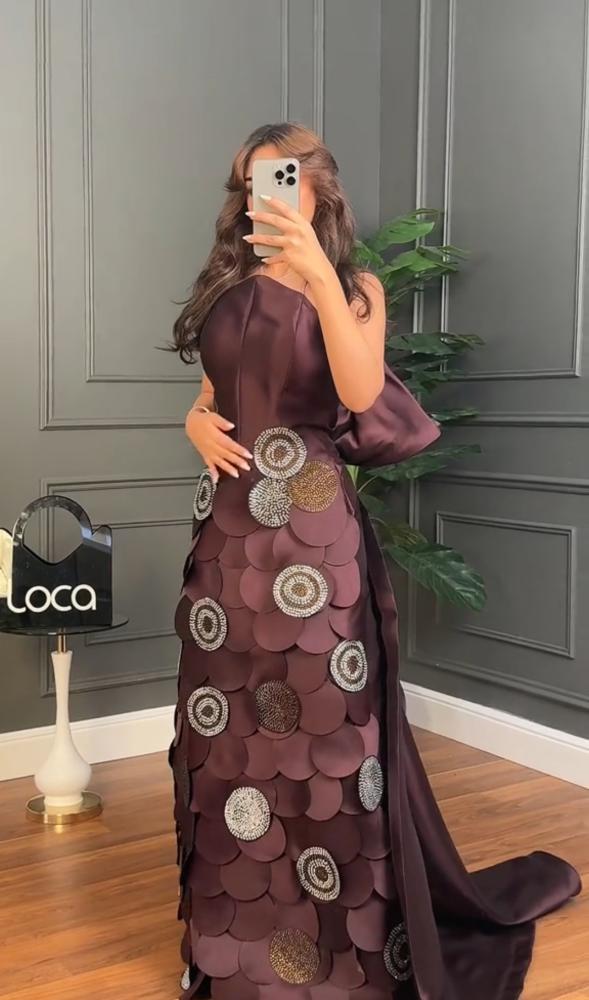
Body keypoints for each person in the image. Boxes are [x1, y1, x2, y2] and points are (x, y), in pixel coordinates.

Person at [164, 122, 581, 1000]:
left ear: (317, 186)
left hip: (311, 539)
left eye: (280, 178)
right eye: (250, 184)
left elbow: (359, 393)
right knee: (230, 735)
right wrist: (193, 421)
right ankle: (237, 947)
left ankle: (338, 953)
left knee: (325, 731)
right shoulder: (227, 285)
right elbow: (211, 393)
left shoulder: (355, 286)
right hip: (227, 543)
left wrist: (316, 275)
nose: (263, 197)